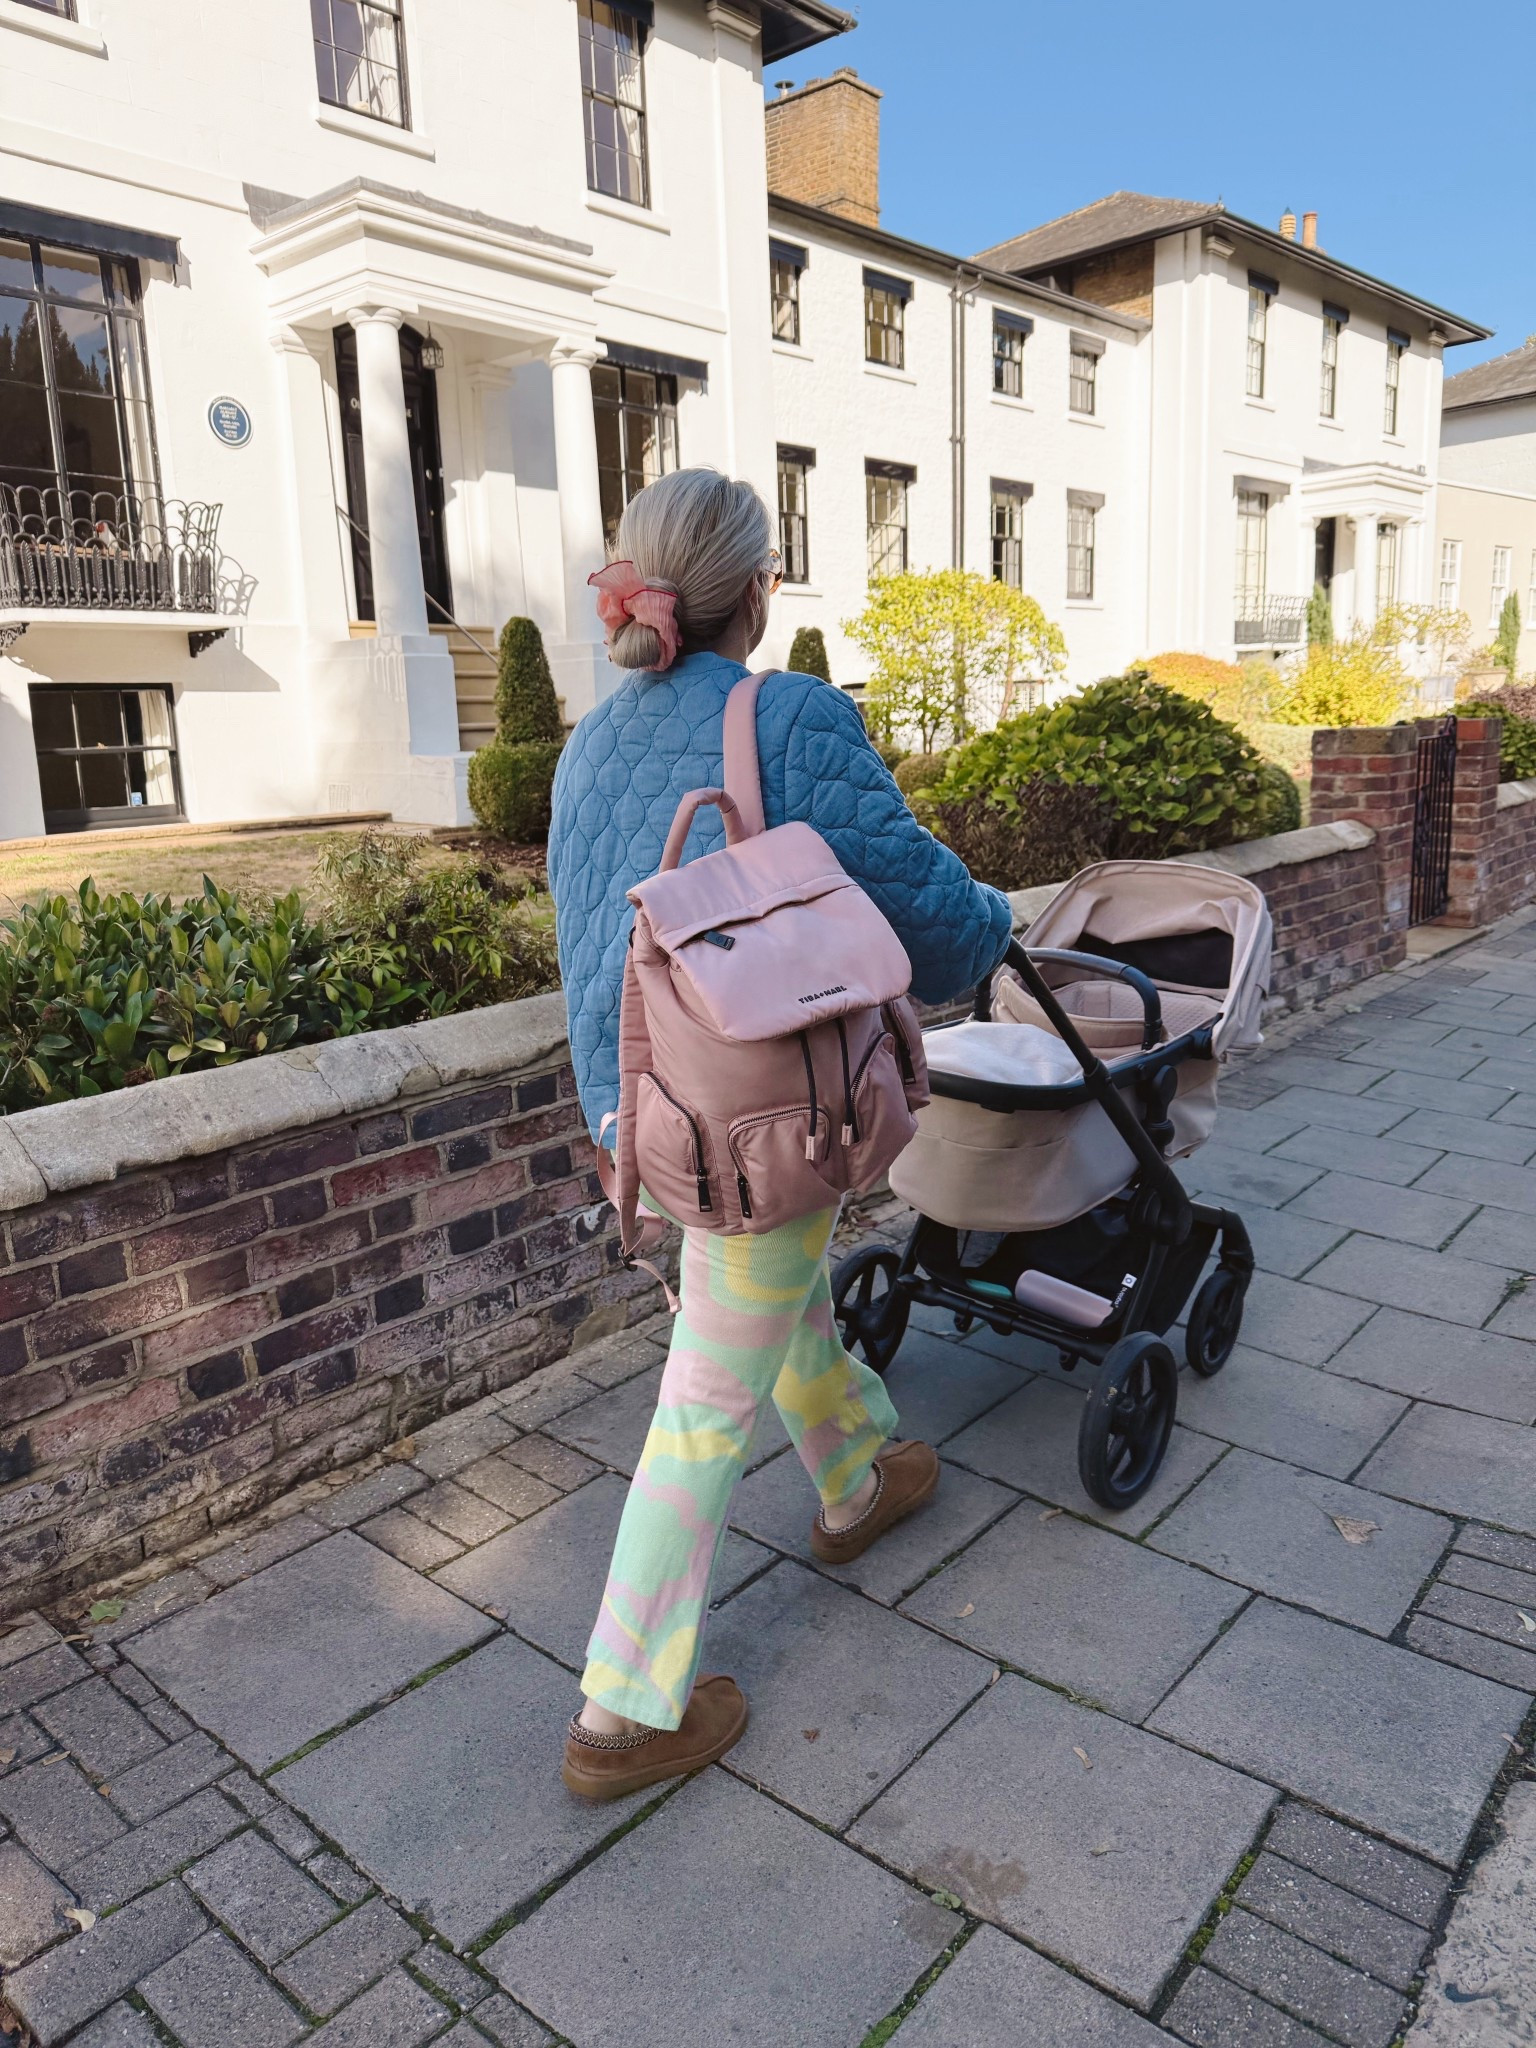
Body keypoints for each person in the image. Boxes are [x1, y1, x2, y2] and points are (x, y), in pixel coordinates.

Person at [547, 467, 1011, 1800]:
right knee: (703, 1400)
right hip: (760, 1116)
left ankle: (861, 1476)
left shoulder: (588, 742)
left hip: (644, 1104)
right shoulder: (788, 713)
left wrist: (613, 1112)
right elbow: (914, 893)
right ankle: (623, 1711)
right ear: (757, 590)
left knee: (769, 1291)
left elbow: (582, 942)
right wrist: (993, 926)